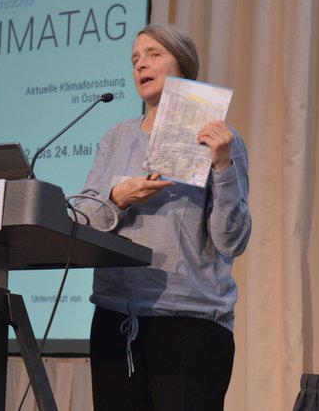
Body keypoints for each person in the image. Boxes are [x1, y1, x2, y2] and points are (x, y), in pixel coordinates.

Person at [75, 23, 252, 411]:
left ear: (183, 65)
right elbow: (82, 220)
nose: (141, 64)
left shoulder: (222, 141)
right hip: (115, 320)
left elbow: (231, 241)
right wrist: (118, 198)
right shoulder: (116, 137)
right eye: (135, 59)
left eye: (154, 54)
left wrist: (222, 167)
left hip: (190, 324)